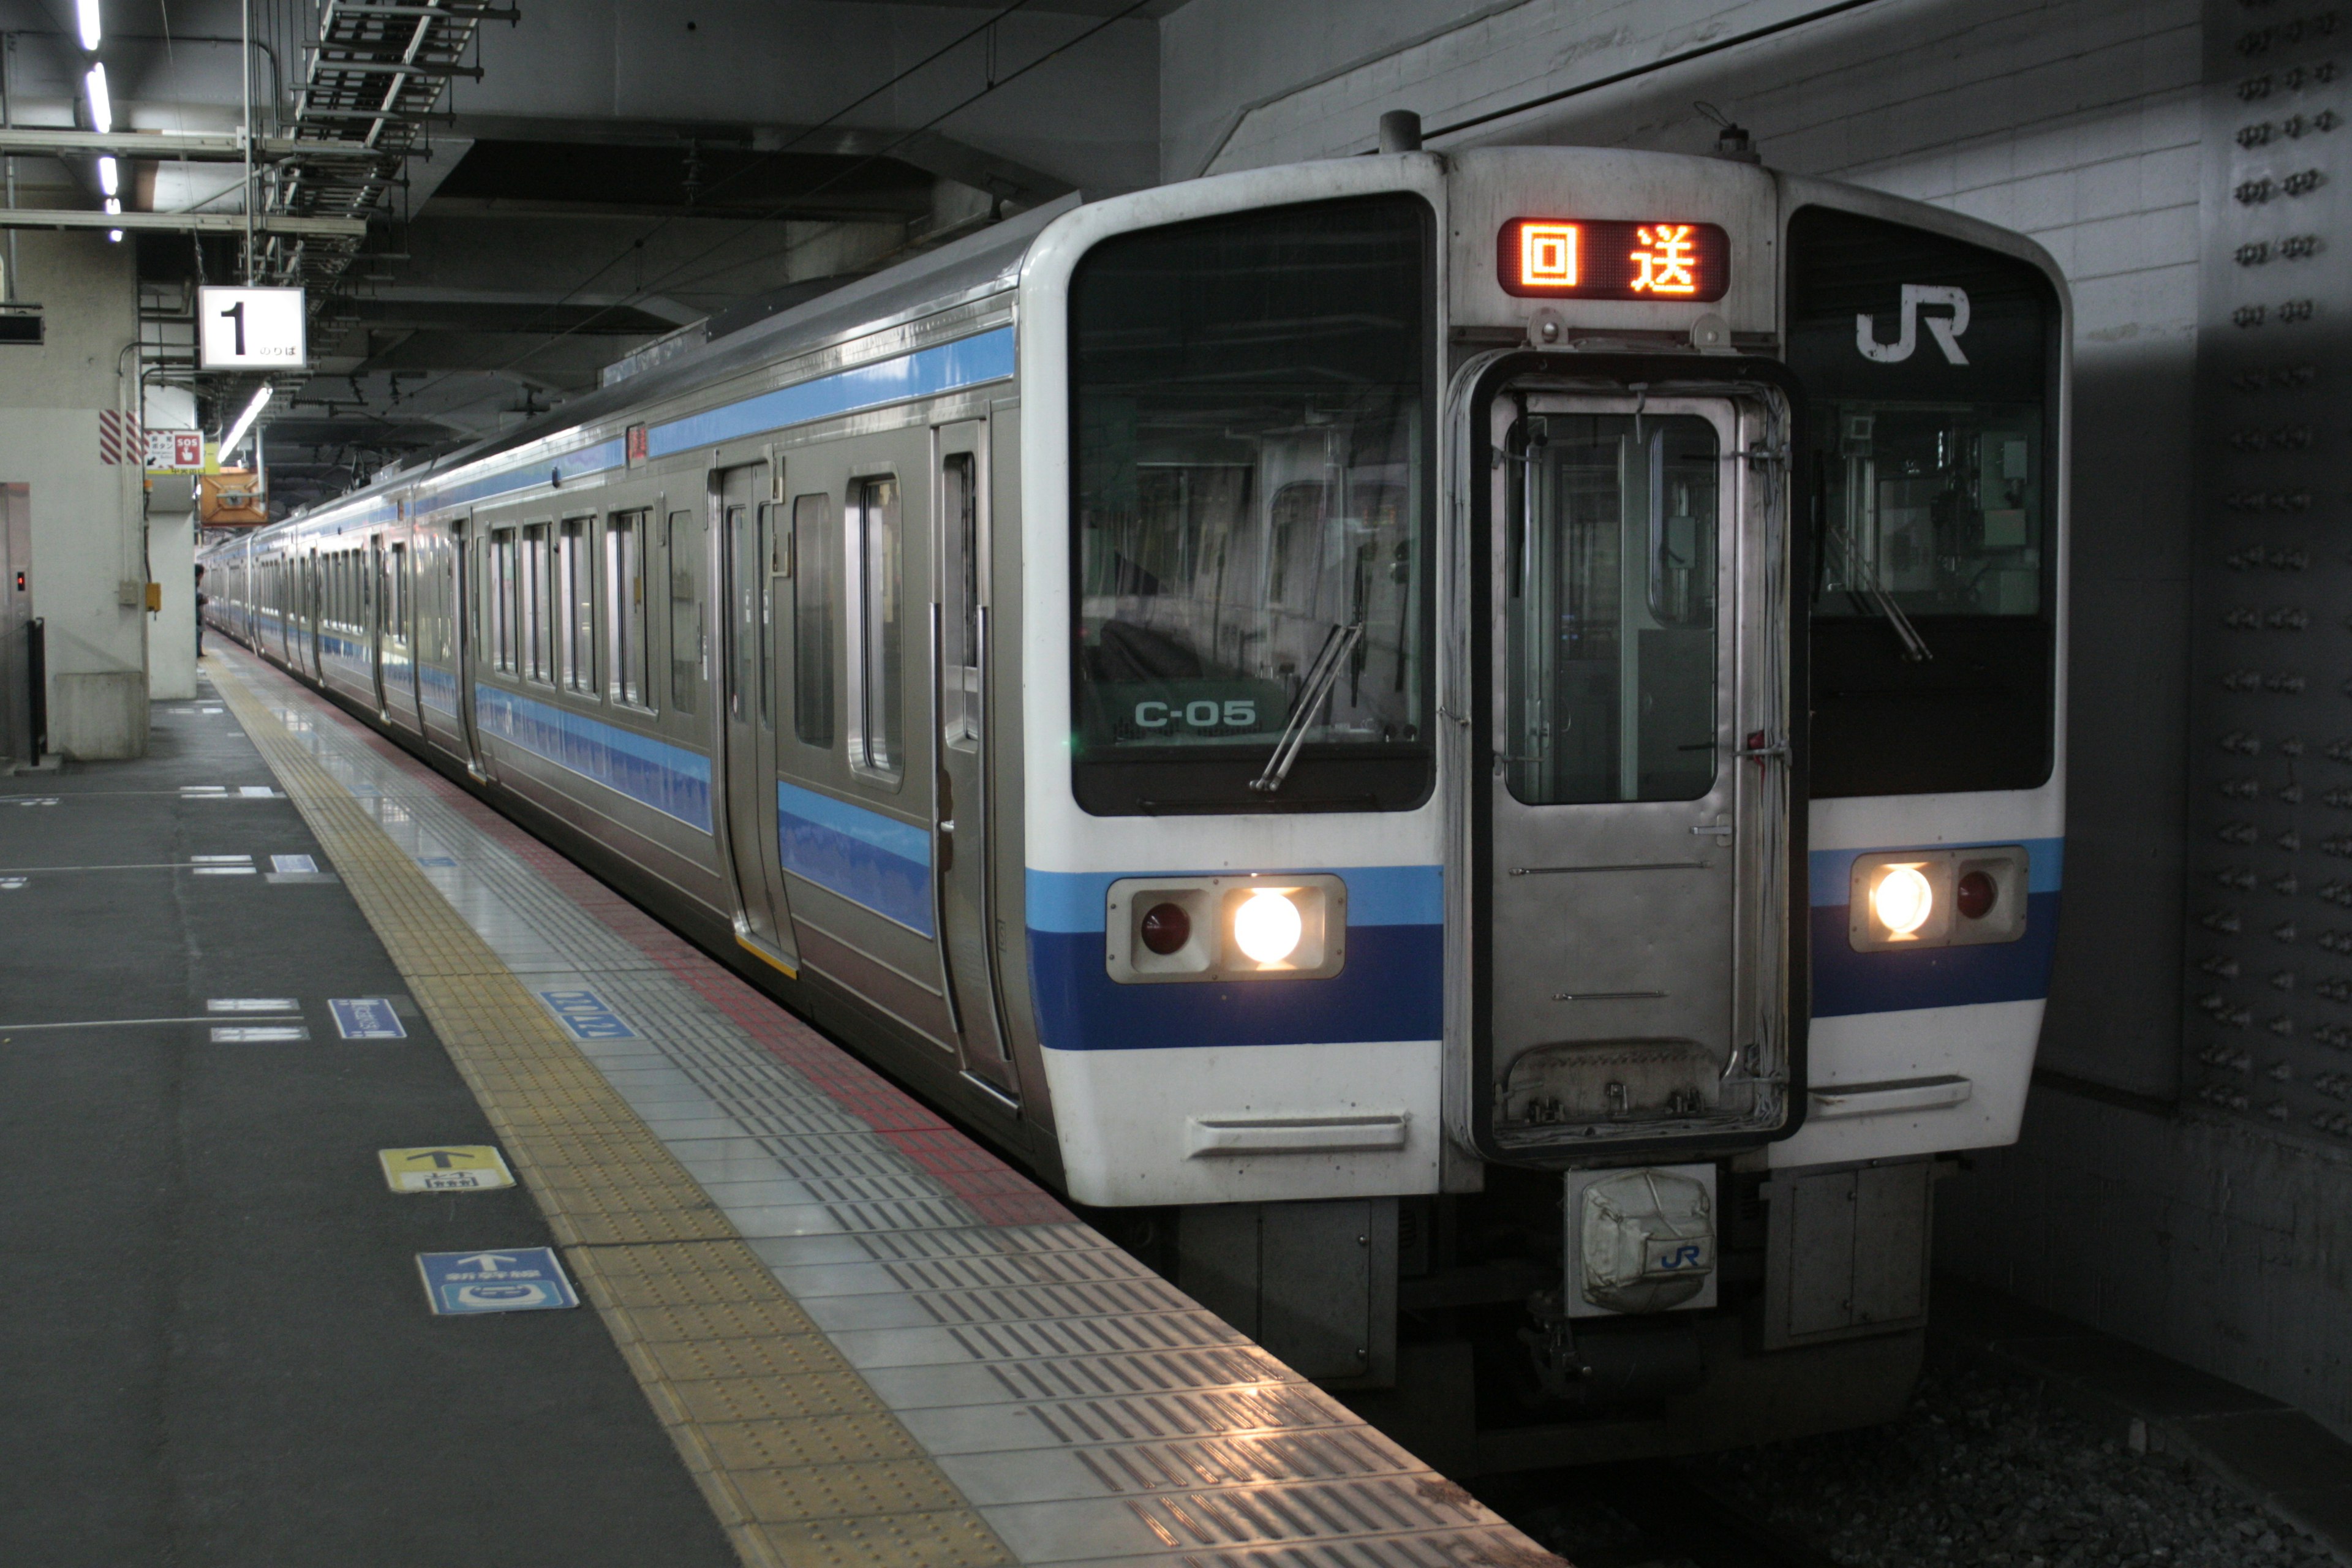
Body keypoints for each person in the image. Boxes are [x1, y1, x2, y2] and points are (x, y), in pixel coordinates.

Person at [194, 563, 206, 658]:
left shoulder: (194, 583)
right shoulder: (194, 583)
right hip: (196, 616)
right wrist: (203, 598)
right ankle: (198, 652)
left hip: (197, 616)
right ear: (200, 574)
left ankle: (199, 651)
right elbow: (196, 598)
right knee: (198, 633)